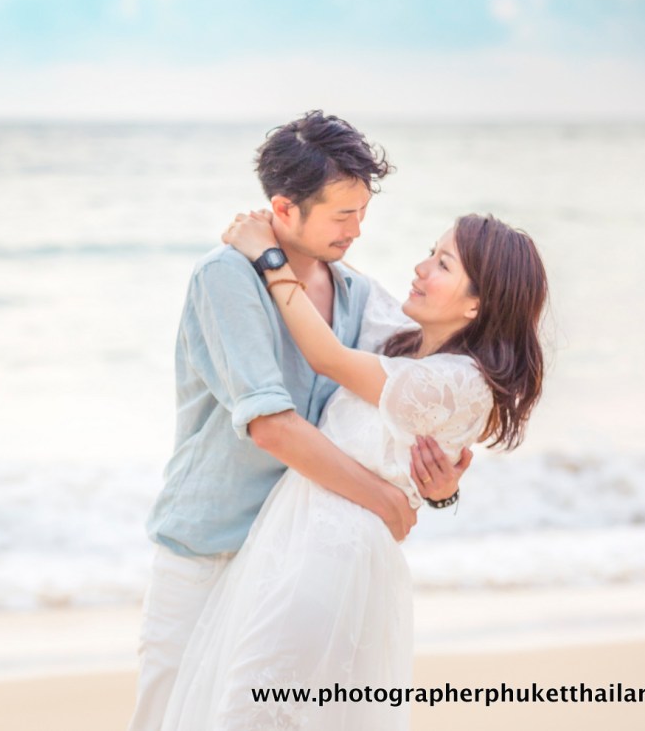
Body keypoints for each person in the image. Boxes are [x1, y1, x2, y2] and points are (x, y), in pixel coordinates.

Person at [128, 111, 471, 731]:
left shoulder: (357, 295)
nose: (357, 230)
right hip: (212, 548)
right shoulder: (225, 277)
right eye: (343, 215)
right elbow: (272, 426)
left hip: (293, 560)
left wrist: (440, 484)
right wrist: (383, 501)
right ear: (284, 209)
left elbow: (415, 392)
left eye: (362, 212)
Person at [160, 212, 548, 730]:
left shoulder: (458, 383)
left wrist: (268, 258)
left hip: (331, 558)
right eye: (430, 252)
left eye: (443, 264)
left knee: (252, 712)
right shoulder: (407, 340)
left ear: (477, 304)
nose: (421, 268)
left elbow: (326, 356)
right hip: (289, 539)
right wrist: (287, 233)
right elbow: (344, 282)